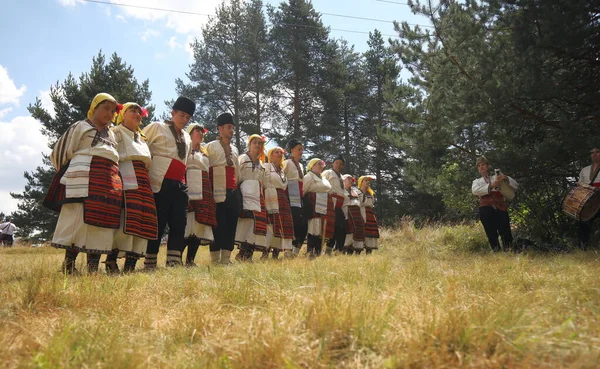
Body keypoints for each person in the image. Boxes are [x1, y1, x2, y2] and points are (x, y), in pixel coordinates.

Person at [44, 93, 123, 274]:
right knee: (77, 220)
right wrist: (69, 174)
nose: (109, 114)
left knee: (100, 221)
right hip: (82, 179)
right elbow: (61, 151)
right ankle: (68, 265)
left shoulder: (112, 134)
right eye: (105, 109)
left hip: (107, 185)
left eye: (112, 111)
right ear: (94, 108)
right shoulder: (81, 126)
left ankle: (93, 267)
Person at [104, 102, 158, 273]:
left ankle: (130, 265)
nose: (136, 114)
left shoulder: (142, 138)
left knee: (143, 219)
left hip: (143, 179)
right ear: (123, 114)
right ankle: (111, 261)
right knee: (125, 217)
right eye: (132, 111)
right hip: (125, 174)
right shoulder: (115, 132)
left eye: (138, 111)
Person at [142, 97, 194, 268]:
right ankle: (150, 261)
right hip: (160, 180)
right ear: (173, 113)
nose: (184, 120)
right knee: (158, 221)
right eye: (182, 115)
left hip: (180, 184)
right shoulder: (157, 127)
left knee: (179, 222)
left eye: (188, 117)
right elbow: (142, 147)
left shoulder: (187, 137)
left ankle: (174, 261)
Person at [205, 113, 241, 264]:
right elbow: (205, 167)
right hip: (216, 189)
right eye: (228, 127)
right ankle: (215, 259)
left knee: (231, 224)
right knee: (217, 224)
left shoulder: (235, 149)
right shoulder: (210, 146)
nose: (231, 130)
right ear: (220, 128)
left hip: (232, 190)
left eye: (232, 128)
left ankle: (226, 258)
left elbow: (237, 170)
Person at [183, 123, 217, 266]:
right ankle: (175, 256)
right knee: (187, 223)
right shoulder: (184, 149)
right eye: (197, 131)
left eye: (202, 132)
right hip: (189, 185)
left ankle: (190, 260)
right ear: (189, 133)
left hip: (204, 187)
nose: (201, 134)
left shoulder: (205, 154)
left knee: (199, 224)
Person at [471, 156, 519, 252]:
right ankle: (497, 253)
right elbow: (475, 191)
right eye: (479, 166)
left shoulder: (497, 177)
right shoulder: (477, 181)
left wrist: (505, 177)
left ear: (488, 166)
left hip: (500, 206)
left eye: (483, 165)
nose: (481, 167)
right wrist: (492, 185)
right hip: (485, 209)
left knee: (505, 231)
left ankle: (509, 251)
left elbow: (516, 186)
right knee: (491, 232)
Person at [234, 134, 267, 261]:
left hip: (256, 196)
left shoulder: (261, 165)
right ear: (249, 144)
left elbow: (262, 182)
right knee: (245, 222)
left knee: (255, 224)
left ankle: (247, 255)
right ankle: (241, 253)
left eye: (260, 143)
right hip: (243, 192)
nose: (258, 145)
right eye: (255, 143)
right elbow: (237, 175)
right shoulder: (242, 158)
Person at [264, 146, 294, 258]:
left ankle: (276, 253)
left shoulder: (282, 171)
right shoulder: (266, 166)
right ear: (270, 155)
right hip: (270, 196)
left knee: (282, 225)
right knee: (271, 224)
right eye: (276, 152)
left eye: (281, 152)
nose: (279, 154)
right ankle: (265, 252)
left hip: (282, 198)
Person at [302, 158, 334, 258]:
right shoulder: (308, 177)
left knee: (322, 229)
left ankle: (318, 253)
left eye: (321, 164)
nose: (321, 166)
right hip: (313, 205)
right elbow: (303, 191)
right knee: (314, 227)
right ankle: (310, 252)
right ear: (312, 166)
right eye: (318, 164)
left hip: (324, 205)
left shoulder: (323, 178)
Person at [283, 138, 307, 256]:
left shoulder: (301, 165)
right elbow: (282, 177)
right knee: (293, 223)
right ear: (292, 150)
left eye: (302, 149)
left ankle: (295, 251)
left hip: (299, 197)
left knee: (302, 224)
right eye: (299, 149)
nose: (301, 152)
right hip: (290, 196)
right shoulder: (287, 163)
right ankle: (288, 250)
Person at [322, 155, 348, 254]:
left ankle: (338, 250)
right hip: (330, 203)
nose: (338, 165)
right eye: (337, 163)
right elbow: (322, 183)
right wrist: (331, 191)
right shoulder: (327, 172)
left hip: (339, 204)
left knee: (341, 227)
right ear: (333, 163)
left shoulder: (342, 177)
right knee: (332, 226)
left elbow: (343, 191)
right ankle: (327, 250)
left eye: (341, 164)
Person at [577, 146, 600, 250]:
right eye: (592, 152)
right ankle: (582, 249)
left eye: (597, 152)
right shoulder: (584, 170)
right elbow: (580, 184)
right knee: (583, 223)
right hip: (588, 201)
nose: (594, 154)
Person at [342, 175, 365, 254]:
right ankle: (344, 249)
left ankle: (355, 250)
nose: (350, 181)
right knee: (349, 231)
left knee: (357, 232)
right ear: (343, 180)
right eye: (348, 179)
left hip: (356, 214)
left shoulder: (355, 191)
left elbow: (360, 203)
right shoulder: (341, 190)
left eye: (351, 180)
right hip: (346, 213)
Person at [358, 175, 380, 254]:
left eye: (368, 181)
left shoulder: (370, 194)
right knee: (360, 234)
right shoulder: (357, 192)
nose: (368, 182)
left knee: (370, 234)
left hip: (370, 215)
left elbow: (371, 204)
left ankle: (369, 254)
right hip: (361, 213)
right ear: (361, 182)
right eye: (366, 180)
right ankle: (356, 255)